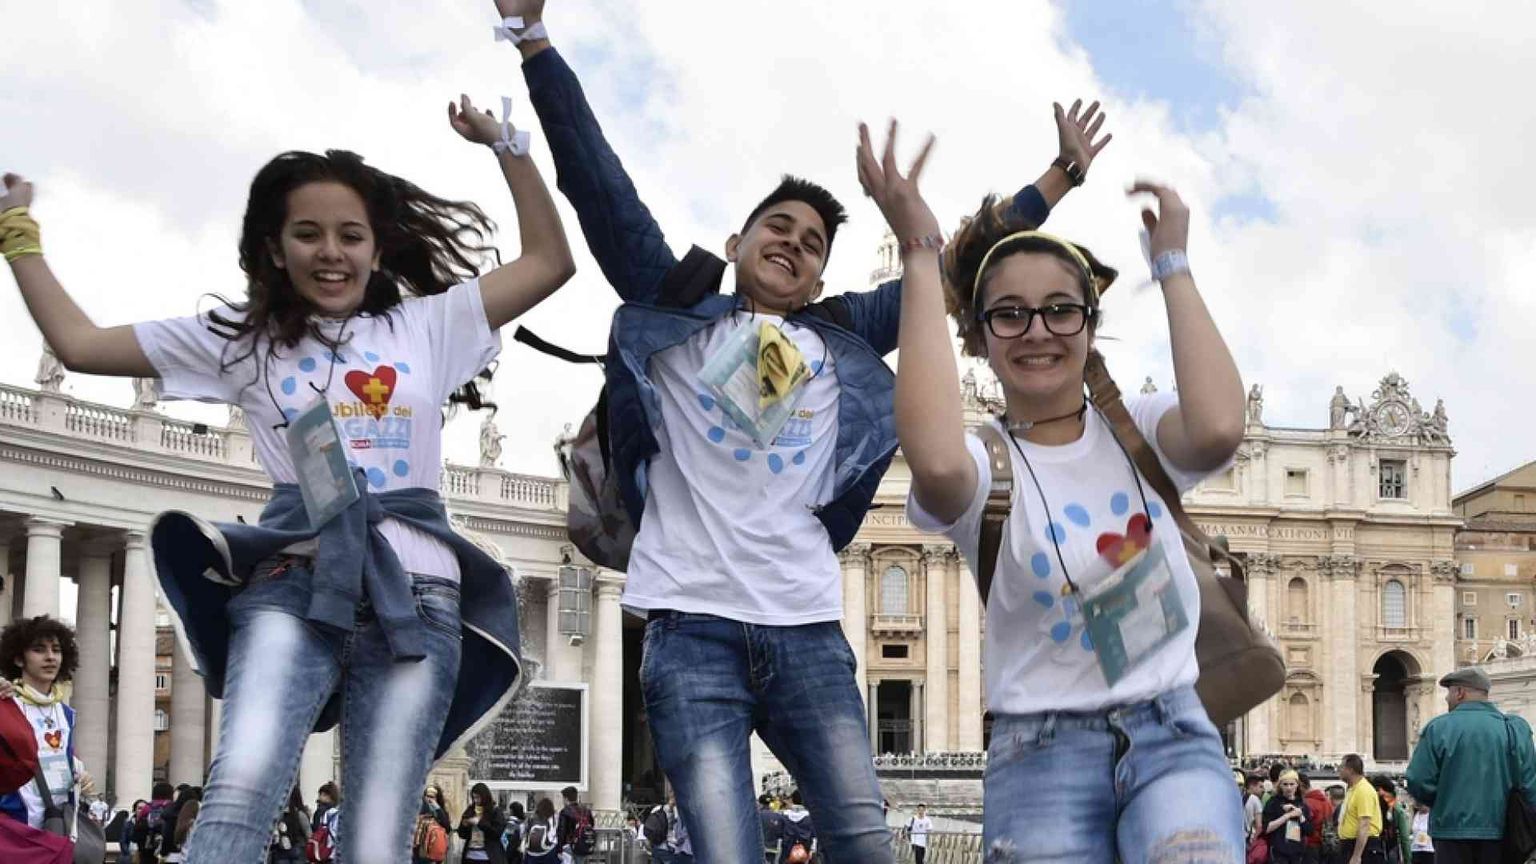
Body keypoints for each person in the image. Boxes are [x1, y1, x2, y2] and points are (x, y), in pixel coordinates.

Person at [498, 5, 1097, 860]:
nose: (795, 244)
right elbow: (598, 183)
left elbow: (960, 264)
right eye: (778, 227)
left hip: (809, 632)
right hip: (690, 631)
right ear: (738, 240)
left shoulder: (839, 338)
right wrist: (535, 44)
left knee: (865, 843)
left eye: (813, 242)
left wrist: (1059, 176)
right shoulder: (679, 317)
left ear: (820, 273)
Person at [2, 30, 573, 856]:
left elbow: (551, 262)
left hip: (420, 595)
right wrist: (19, 237)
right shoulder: (243, 339)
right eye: (308, 233)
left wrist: (511, 147)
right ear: (275, 246)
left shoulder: (427, 324)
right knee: (241, 784)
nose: (331, 252)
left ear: (376, 248)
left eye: (351, 234)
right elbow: (83, 342)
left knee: (378, 833)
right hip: (293, 575)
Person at [871, 95, 1244, 862]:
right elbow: (934, 460)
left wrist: (1171, 264)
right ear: (977, 338)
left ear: (1089, 323)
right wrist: (918, 251)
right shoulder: (981, 466)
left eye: (1059, 310)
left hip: (1172, 730)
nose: (1037, 329)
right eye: (1008, 314)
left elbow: (1218, 429)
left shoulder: (1138, 428)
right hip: (1038, 752)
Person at [1407, 667, 1536, 864]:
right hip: (1503, 830)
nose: (1446, 698)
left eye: (1449, 692)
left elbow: (1417, 780)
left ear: (1460, 692)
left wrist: (1444, 800)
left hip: (1450, 831)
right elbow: (1530, 784)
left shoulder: (1438, 728)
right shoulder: (1514, 728)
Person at [0, 616, 93, 831]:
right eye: (39, 650)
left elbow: (62, 755)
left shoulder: (66, 713)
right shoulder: (6, 706)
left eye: (56, 650)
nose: (50, 657)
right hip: (14, 827)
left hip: (57, 826)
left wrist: (79, 772)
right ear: (18, 659)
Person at [1338, 754, 1386, 864]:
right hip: (1349, 845)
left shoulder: (1363, 791)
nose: (1338, 770)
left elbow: (1364, 824)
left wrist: (1356, 856)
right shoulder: (1352, 790)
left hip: (1364, 848)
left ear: (1350, 770)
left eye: (1341, 767)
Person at [1263, 770, 1314, 864]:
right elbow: (1266, 828)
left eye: (1292, 784)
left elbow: (1310, 831)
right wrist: (1287, 816)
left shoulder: (1302, 804)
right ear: (1280, 785)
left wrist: (1300, 816)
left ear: (1297, 785)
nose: (1289, 788)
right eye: (1285, 784)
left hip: (1297, 854)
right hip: (1278, 853)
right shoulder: (1273, 803)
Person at [459, 783, 509, 864]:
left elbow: (496, 833)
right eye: (474, 797)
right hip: (470, 856)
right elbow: (462, 834)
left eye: (478, 797)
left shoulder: (495, 811)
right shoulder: (470, 810)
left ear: (485, 796)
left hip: (488, 856)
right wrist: (464, 826)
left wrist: (479, 823)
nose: (476, 800)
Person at [1371, 776, 1411, 864]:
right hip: (1390, 849)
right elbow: (1404, 838)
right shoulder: (1396, 809)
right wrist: (1408, 860)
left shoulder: (1369, 807)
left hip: (1371, 850)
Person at [1301, 772, 1336, 862]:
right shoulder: (1326, 801)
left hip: (1310, 844)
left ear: (1301, 786)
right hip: (1326, 845)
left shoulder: (1306, 803)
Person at [266, 787, 307, 864]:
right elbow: (308, 834)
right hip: (298, 848)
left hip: (281, 851)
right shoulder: (300, 814)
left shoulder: (277, 814)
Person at [556, 784, 595, 861]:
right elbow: (592, 824)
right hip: (583, 845)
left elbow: (562, 831)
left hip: (569, 846)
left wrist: (559, 849)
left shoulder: (565, 811)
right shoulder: (586, 810)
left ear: (566, 799)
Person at [778, 790, 816, 864]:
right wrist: (812, 850)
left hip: (787, 849)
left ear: (792, 799)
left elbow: (780, 835)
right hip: (805, 849)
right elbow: (814, 836)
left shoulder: (784, 815)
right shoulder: (810, 817)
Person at [522, 797, 560, 864]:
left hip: (531, 853)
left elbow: (524, 833)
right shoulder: (552, 818)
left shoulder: (532, 818)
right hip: (547, 852)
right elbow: (553, 836)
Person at [1247, 774, 1268, 841]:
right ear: (1252, 786)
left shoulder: (1240, 797)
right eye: (1261, 787)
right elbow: (1259, 825)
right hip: (1250, 839)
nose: (1263, 790)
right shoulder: (1255, 800)